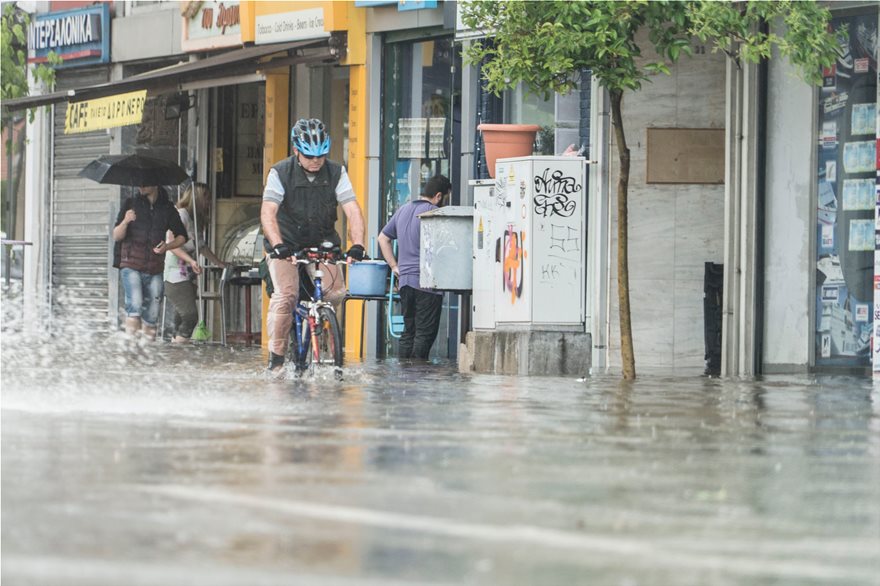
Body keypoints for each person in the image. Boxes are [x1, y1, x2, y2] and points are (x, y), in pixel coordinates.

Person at [261, 118, 367, 372]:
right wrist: (278, 245)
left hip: (322, 240)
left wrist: (358, 244)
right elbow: (268, 212)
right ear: (296, 151)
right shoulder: (279, 172)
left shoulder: (337, 172)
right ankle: (276, 359)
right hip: (286, 243)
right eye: (309, 156)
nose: (316, 161)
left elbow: (352, 210)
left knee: (336, 293)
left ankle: (322, 325)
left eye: (321, 155)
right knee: (286, 296)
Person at [378, 174, 451, 360]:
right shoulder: (434, 212)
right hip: (428, 283)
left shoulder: (403, 210)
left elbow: (383, 238)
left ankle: (405, 377)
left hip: (405, 283)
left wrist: (394, 266)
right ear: (439, 196)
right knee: (424, 334)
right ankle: (418, 378)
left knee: (408, 332)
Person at [113, 185, 187, 340]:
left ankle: (148, 355)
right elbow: (116, 236)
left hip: (155, 268)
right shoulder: (130, 204)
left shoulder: (167, 209)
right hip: (131, 265)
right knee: (135, 304)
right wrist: (126, 221)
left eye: (145, 183)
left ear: (155, 185)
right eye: (139, 183)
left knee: (152, 314)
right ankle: (132, 352)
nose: (140, 186)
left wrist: (167, 246)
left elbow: (182, 236)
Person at [163, 183, 227, 344]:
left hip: (188, 275)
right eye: (206, 198)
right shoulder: (181, 215)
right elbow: (171, 244)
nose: (209, 202)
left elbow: (201, 246)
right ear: (197, 198)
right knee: (190, 316)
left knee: (180, 316)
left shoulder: (196, 220)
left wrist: (219, 262)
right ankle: (179, 349)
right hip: (175, 274)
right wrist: (191, 260)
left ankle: (174, 353)